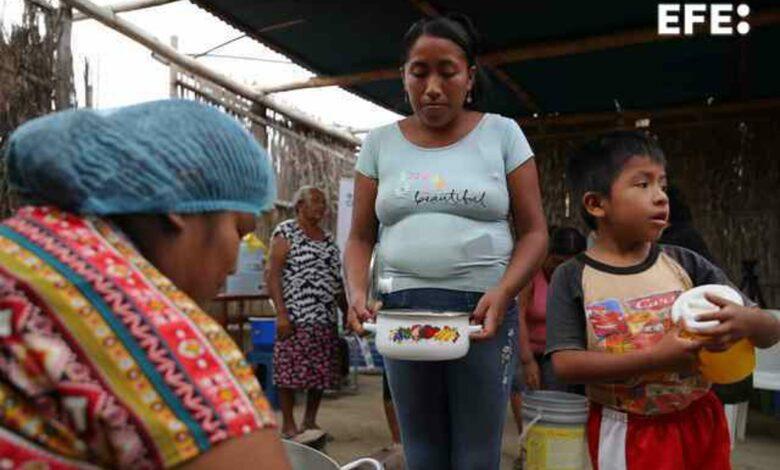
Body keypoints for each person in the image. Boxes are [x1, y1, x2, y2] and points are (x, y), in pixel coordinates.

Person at [0, 100, 289, 468]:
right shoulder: (140, 321)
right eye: (239, 229)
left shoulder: (25, 252)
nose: (234, 263)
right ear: (178, 209)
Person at [344, 13, 548, 469]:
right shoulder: (380, 143)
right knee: (422, 449)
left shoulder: (502, 133)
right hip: (402, 311)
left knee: (477, 451)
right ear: (404, 77)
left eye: (447, 71)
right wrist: (357, 292)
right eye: (419, 72)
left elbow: (535, 232)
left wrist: (504, 292)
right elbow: (360, 237)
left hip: (483, 314)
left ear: (469, 77)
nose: (433, 86)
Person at [545, 130, 780, 469]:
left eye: (662, 185)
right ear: (597, 204)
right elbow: (565, 365)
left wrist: (746, 321)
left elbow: (770, 332)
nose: (660, 198)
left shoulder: (685, 263)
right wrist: (655, 358)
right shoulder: (572, 277)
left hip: (701, 419)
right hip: (629, 429)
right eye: (643, 185)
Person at [266, 185, 348, 442]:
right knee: (288, 370)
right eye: (316, 202)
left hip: (324, 318)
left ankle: (310, 421)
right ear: (299, 205)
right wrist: (281, 314)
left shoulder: (327, 239)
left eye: (323, 203)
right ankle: (288, 424)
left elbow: (336, 282)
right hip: (295, 317)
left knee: (320, 371)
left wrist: (347, 312)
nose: (321, 207)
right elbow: (273, 275)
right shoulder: (285, 233)